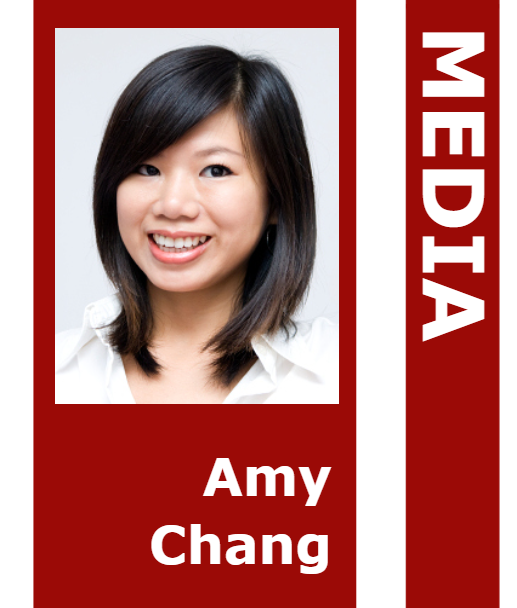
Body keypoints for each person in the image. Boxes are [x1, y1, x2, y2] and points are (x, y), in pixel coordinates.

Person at [55, 45, 338, 404]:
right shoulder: (48, 377)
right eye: (147, 169)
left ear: (277, 199)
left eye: (216, 170)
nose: (172, 205)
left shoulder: (342, 376)